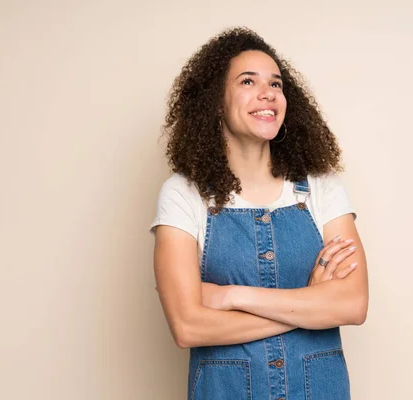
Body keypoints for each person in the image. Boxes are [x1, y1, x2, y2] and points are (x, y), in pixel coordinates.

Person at [150, 27, 368, 400]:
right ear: (216, 101)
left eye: (277, 84)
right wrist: (308, 305)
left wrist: (230, 296)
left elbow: (352, 304)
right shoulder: (183, 195)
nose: (268, 93)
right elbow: (188, 326)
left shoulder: (322, 188)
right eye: (248, 81)